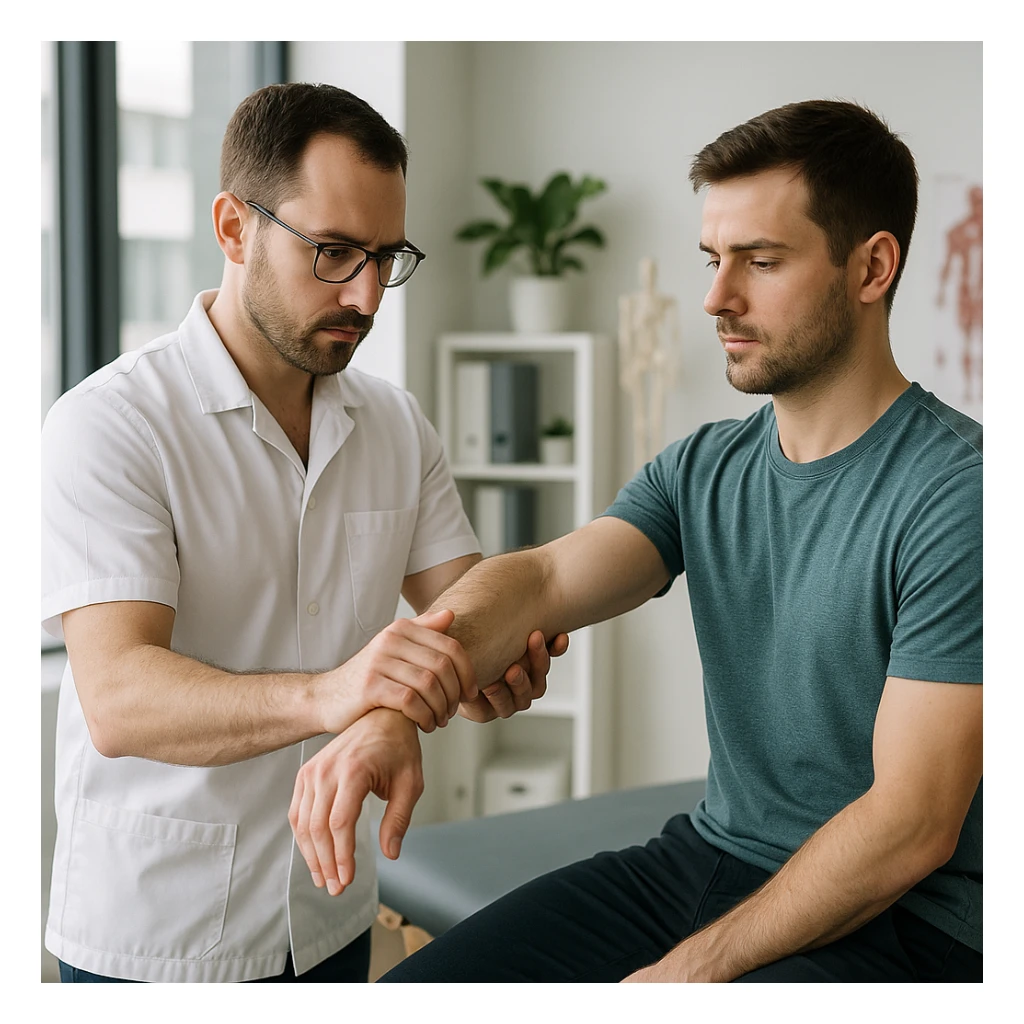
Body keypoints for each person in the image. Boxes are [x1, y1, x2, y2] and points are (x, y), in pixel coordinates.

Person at [292, 99, 983, 983]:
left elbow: (910, 826)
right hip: (711, 859)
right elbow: (541, 580)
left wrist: (681, 978)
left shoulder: (959, 496)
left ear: (872, 267)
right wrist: (393, 710)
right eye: (713, 258)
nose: (715, 298)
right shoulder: (704, 467)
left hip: (903, 924)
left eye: (761, 262)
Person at [40, 82, 565, 984]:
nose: (365, 294)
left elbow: (472, 615)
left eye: (385, 256)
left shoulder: (396, 425)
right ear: (234, 229)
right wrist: (339, 694)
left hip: (330, 914)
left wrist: (481, 665)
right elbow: (120, 698)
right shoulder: (110, 424)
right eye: (331, 252)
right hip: (157, 934)